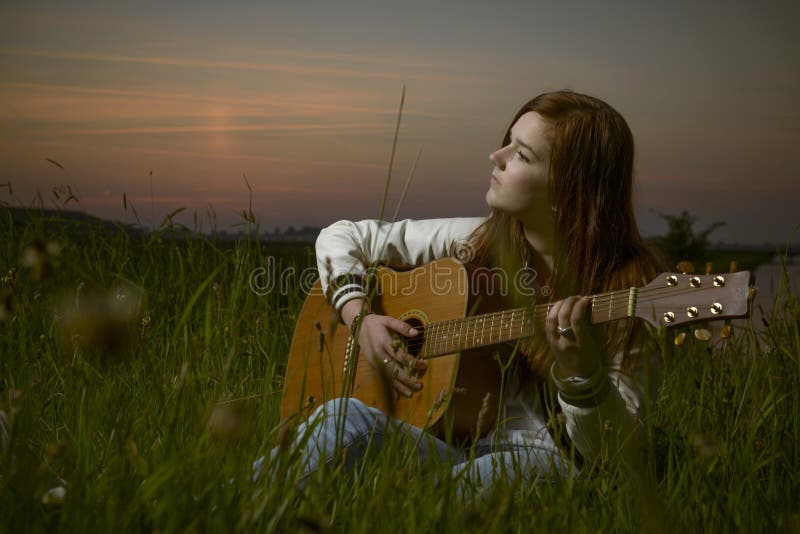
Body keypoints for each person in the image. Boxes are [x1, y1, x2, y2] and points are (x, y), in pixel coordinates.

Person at [258, 90, 664, 493]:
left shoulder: (626, 294)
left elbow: (614, 450)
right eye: (508, 141)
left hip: (546, 463)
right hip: (449, 444)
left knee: (491, 478)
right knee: (342, 417)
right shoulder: (478, 241)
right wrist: (359, 318)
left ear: (568, 191)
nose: (496, 156)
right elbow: (342, 236)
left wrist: (582, 377)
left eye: (521, 155)